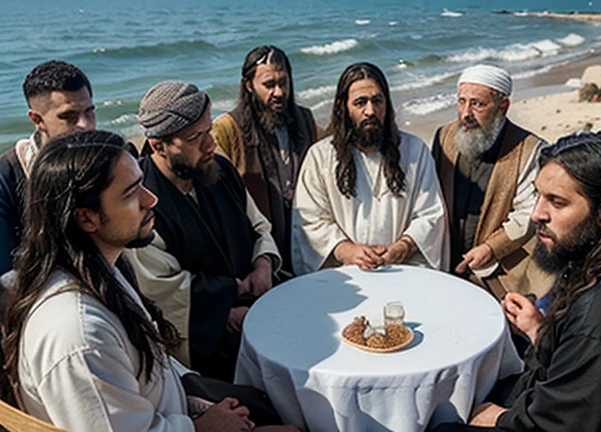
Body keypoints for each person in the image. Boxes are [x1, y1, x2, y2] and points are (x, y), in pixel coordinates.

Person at [2, 130, 287, 432]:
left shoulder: (103, 270)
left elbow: (149, 379)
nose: (151, 199)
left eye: (142, 183)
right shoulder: (79, 334)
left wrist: (201, 406)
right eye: (131, 193)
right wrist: (204, 426)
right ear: (86, 219)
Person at [436, 133, 601, 431]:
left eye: (557, 202)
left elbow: (559, 424)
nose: (538, 214)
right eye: (539, 196)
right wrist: (540, 331)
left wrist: (498, 417)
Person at [125, 81, 280, 381]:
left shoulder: (220, 170)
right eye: (196, 138)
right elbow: (164, 290)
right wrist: (226, 313)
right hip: (207, 344)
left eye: (209, 131)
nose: (211, 144)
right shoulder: (141, 201)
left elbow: (259, 226)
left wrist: (263, 267)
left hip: (259, 311)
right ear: (158, 145)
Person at [292, 62, 448, 275]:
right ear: (343, 107)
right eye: (360, 103)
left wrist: (401, 249)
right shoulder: (320, 157)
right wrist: (346, 251)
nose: (370, 111)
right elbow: (310, 219)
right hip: (344, 276)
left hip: (402, 270)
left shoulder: (415, 151)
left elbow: (431, 214)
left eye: (377, 101)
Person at [431, 64, 547, 299]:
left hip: (498, 271)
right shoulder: (444, 137)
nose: (466, 113)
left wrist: (491, 249)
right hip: (446, 263)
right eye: (461, 101)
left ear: (503, 107)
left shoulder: (529, 149)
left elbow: (528, 213)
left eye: (478, 104)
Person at [212, 46, 321, 275]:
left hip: (305, 239)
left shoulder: (305, 121)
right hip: (257, 251)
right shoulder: (227, 128)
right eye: (269, 85)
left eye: (284, 83)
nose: (279, 92)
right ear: (249, 85)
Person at [0, 60, 96, 274]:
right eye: (69, 117)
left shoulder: (113, 160)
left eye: (90, 112)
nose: (86, 125)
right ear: (37, 119)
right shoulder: (8, 178)